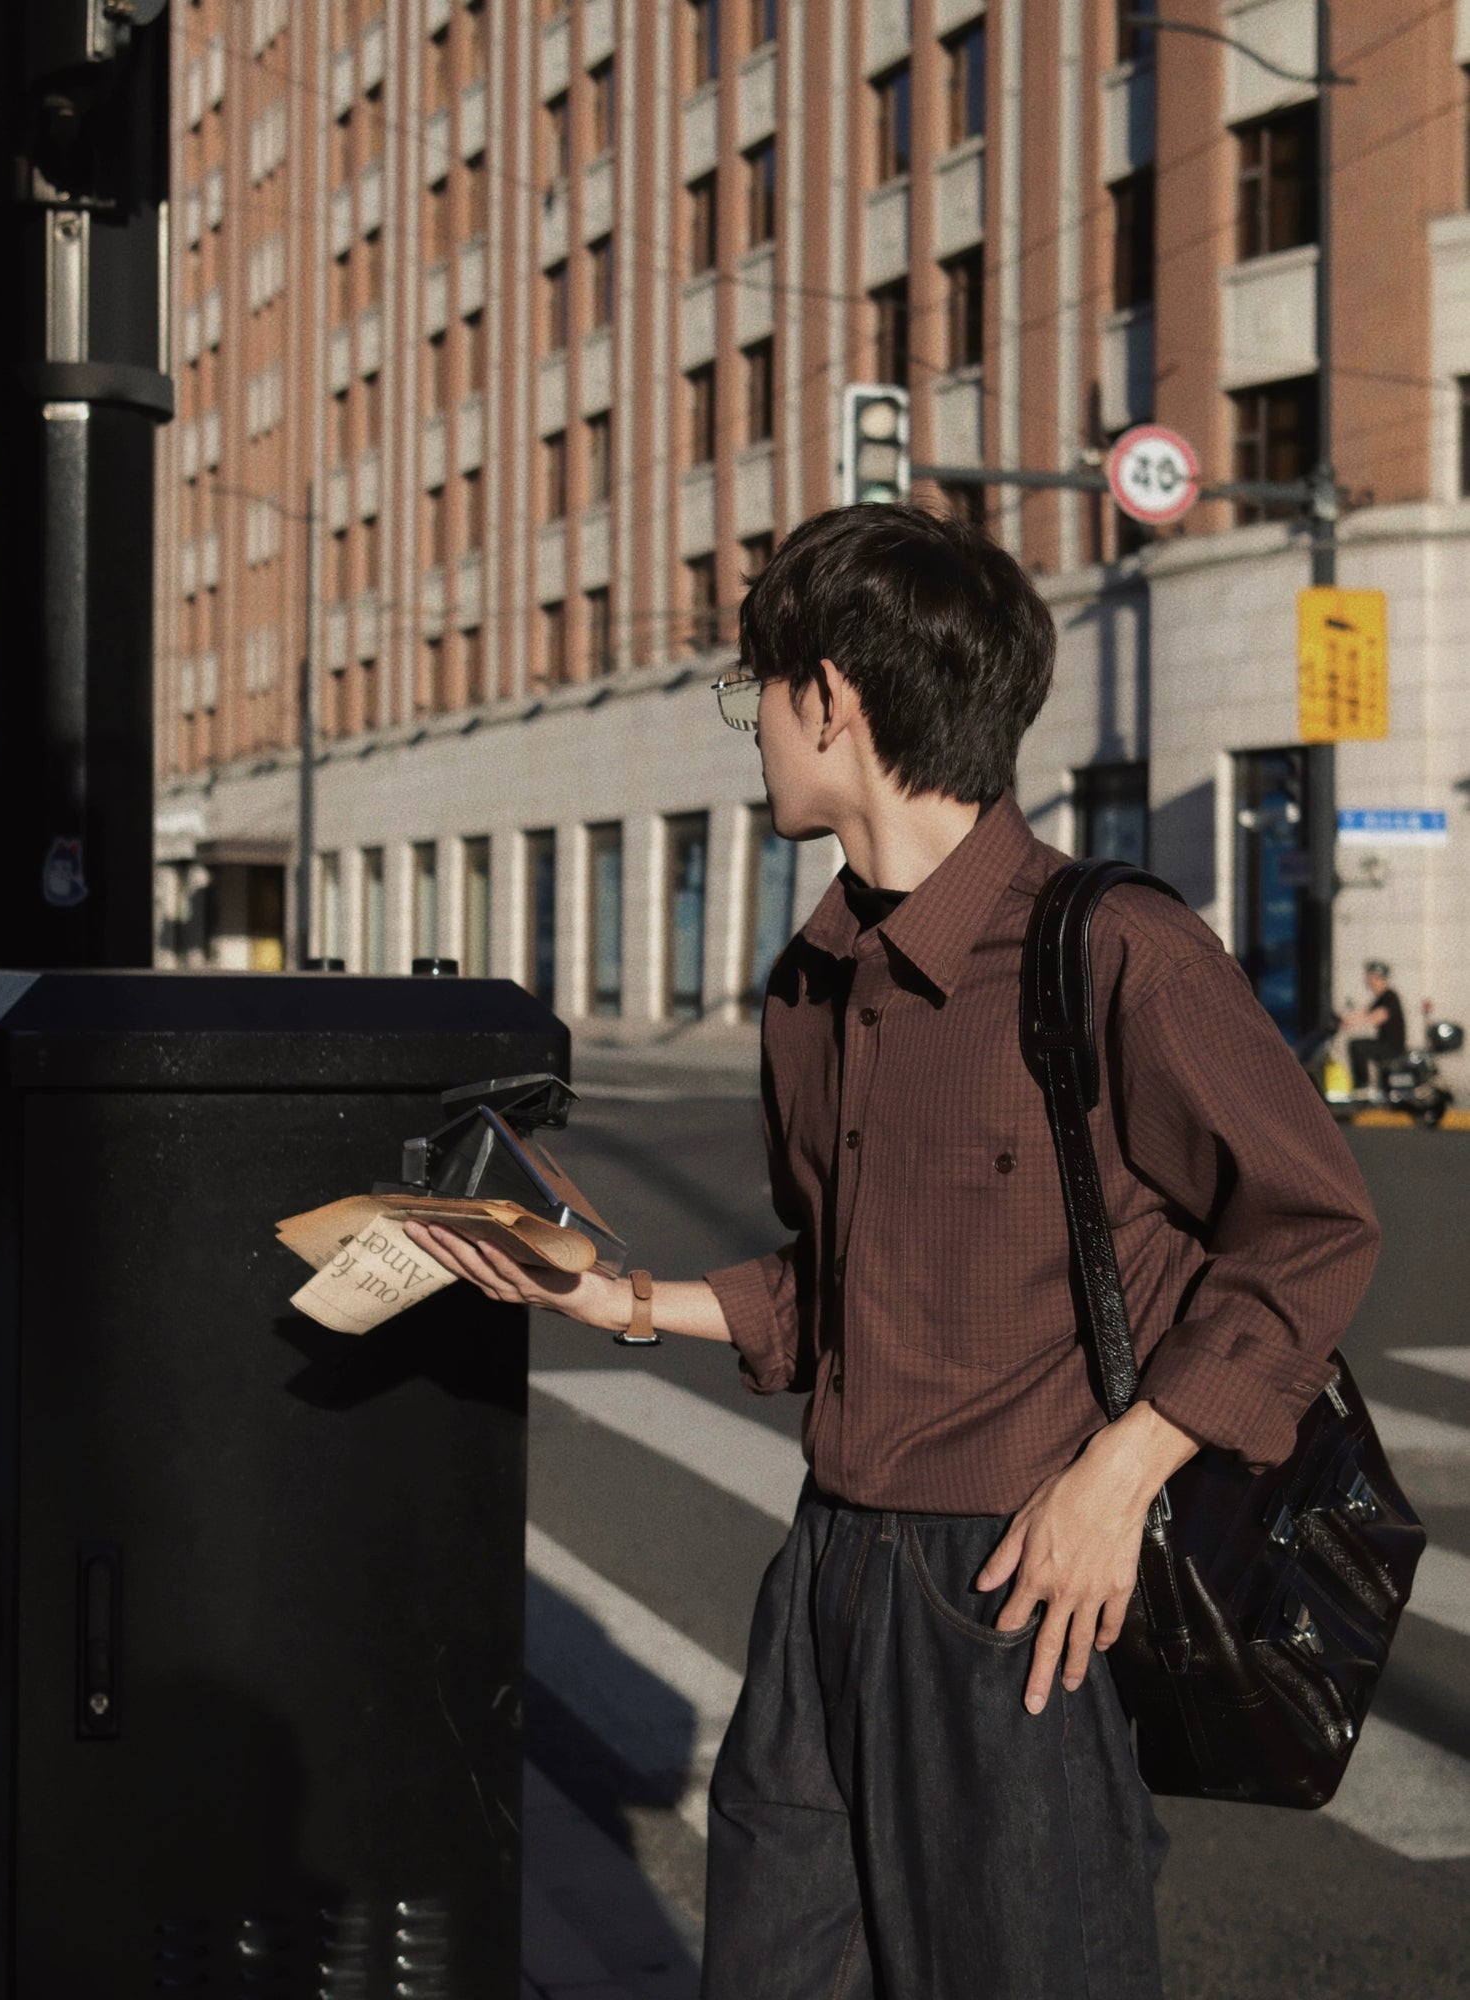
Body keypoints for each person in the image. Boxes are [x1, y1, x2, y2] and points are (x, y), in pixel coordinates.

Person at [404, 504, 1380, 1999]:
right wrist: (620, 1298)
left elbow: (1310, 1228)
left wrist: (1117, 1479)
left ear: (831, 699)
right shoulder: (817, 980)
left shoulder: (1112, 951)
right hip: (829, 1574)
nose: (754, 731)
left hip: (1020, 1586)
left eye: (756, 693)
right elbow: (841, 1283)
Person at [1339, 959, 1407, 1092]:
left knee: (1357, 1046)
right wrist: (1343, 1020)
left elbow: (1378, 1016)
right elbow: (1365, 1013)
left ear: (1378, 978)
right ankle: (1362, 1085)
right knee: (1357, 1044)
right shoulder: (1381, 998)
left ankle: (1362, 1086)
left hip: (1392, 1047)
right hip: (1385, 1043)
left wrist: (1354, 1023)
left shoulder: (1390, 996)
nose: (1367, 981)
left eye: (1369, 977)